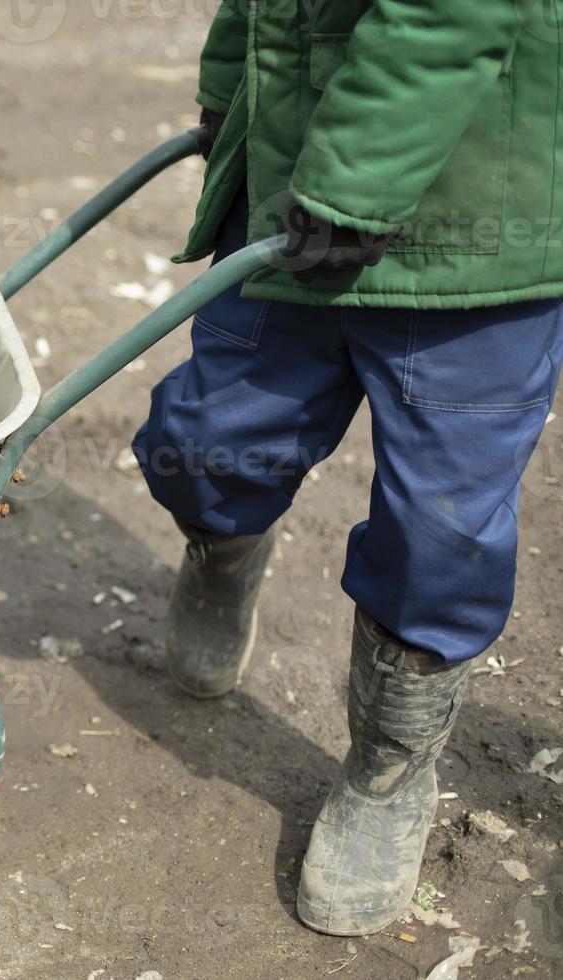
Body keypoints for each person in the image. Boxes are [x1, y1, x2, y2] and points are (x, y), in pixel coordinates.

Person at [133, 0, 563, 937]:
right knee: (206, 439)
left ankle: (388, 766)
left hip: (480, 222)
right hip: (299, 190)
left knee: (440, 531)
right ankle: (226, 545)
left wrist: (359, 183)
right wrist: (226, 95)